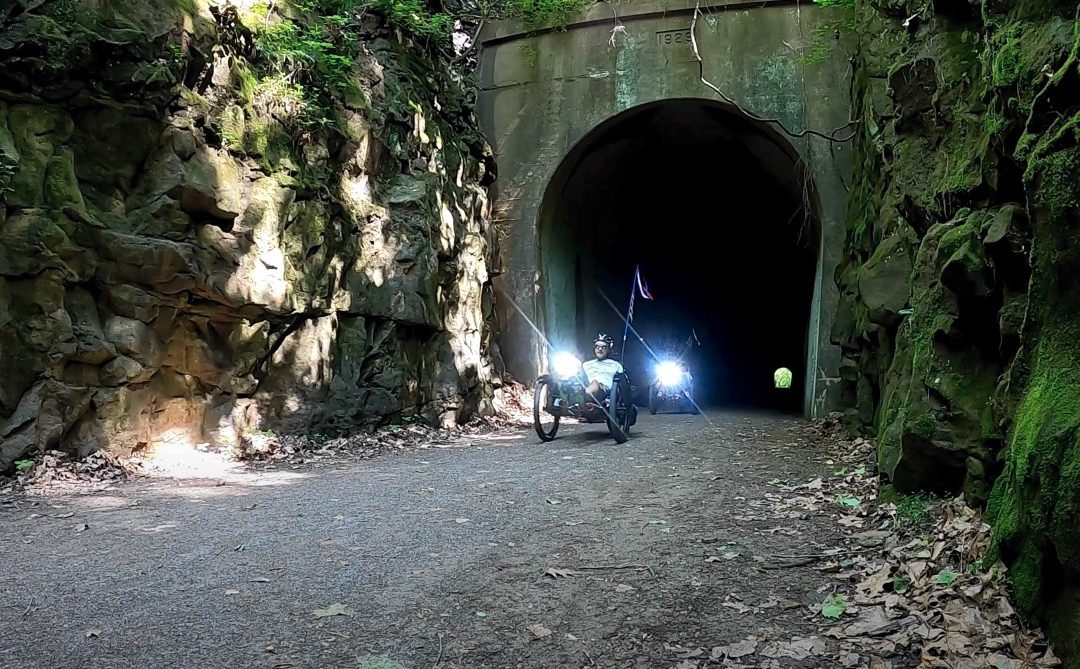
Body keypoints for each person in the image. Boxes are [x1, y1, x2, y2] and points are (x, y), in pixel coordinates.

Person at [582, 333, 623, 404]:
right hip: (585, 386)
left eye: (603, 347)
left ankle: (586, 396)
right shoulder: (586, 364)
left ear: (608, 349)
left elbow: (622, 383)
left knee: (595, 383)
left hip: (604, 389)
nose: (600, 349)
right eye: (597, 346)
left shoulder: (615, 365)